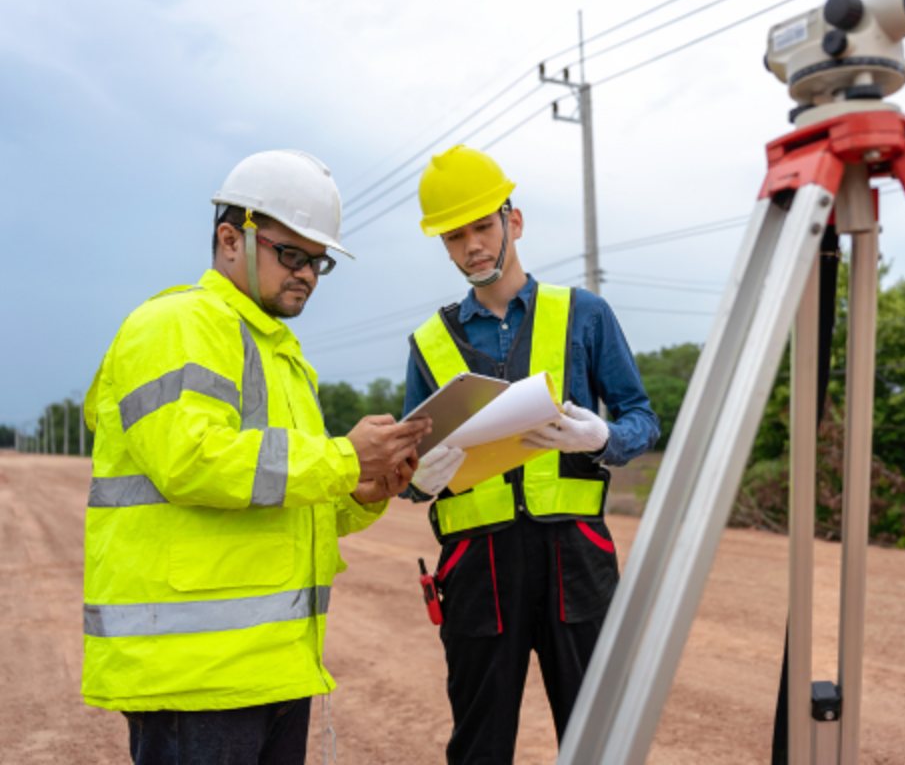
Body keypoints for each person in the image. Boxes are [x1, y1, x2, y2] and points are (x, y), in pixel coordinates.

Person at [82, 149, 432, 765]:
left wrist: (359, 493)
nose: (307, 275)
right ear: (228, 238)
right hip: (194, 674)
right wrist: (344, 459)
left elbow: (280, 495)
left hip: (272, 669)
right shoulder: (178, 323)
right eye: (291, 255)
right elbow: (191, 460)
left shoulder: (279, 354)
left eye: (318, 261)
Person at [401, 145, 661, 764]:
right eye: (455, 236)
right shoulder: (427, 343)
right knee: (479, 747)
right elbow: (408, 473)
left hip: (576, 559)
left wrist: (603, 438)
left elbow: (642, 420)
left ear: (512, 221)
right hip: (474, 569)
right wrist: (418, 479)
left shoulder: (584, 316)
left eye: (483, 226)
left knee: (599, 738)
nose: (473, 246)